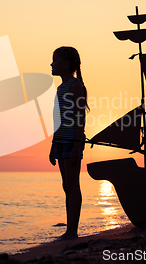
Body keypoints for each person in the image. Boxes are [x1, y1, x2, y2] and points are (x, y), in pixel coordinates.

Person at [49, 46, 89, 240]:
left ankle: (72, 230)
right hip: (61, 141)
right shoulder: (60, 88)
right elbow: (58, 119)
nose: (51, 64)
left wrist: (76, 144)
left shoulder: (75, 86)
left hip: (72, 141)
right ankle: (69, 229)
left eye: (54, 60)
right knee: (66, 185)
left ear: (65, 64)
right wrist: (53, 145)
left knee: (73, 185)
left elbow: (81, 117)